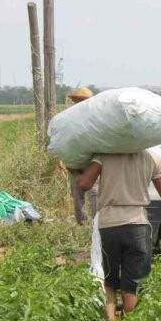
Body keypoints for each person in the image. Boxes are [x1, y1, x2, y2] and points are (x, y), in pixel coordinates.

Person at [76, 150, 161, 321]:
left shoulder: (106, 154)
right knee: (133, 284)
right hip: (137, 226)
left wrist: (76, 170)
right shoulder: (153, 158)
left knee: (109, 281)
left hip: (109, 226)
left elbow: (84, 184)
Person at [65, 87, 98, 224]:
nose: (77, 103)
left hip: (91, 163)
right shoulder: (69, 118)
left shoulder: (95, 118)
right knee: (78, 196)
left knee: (94, 194)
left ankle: (97, 224)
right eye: (76, 100)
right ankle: (83, 225)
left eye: (80, 100)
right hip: (75, 163)